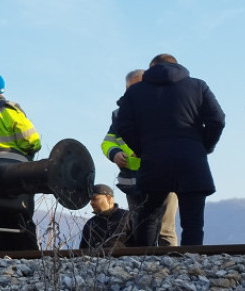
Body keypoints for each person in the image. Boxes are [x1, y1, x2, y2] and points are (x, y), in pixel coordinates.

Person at [112, 54, 225, 246]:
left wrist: (143, 148)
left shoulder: (136, 91)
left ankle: (145, 258)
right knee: (192, 222)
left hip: (153, 159)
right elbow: (218, 120)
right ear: (176, 65)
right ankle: (191, 258)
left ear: (151, 68)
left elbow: (122, 125)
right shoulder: (198, 86)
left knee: (149, 216)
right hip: (192, 159)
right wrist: (203, 146)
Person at [101, 69, 178, 246]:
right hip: (133, 181)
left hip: (164, 176)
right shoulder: (119, 114)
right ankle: (146, 259)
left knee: (165, 228)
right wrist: (114, 153)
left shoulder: (165, 107)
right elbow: (108, 141)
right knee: (140, 226)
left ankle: (170, 259)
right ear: (127, 89)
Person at [79, 184, 130, 253]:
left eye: (95, 198)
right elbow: (82, 252)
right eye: (90, 200)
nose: (91, 203)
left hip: (128, 259)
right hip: (96, 260)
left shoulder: (126, 216)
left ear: (108, 198)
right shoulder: (90, 223)